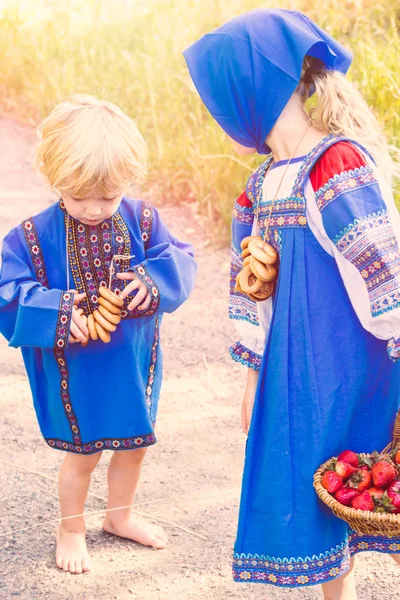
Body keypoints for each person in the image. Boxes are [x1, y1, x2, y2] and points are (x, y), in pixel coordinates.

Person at [184, 9, 400, 599]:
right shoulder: (259, 186)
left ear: (250, 90)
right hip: (296, 375)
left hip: (353, 363)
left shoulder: (335, 163)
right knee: (321, 501)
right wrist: (254, 368)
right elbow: (251, 286)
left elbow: (381, 269)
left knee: (369, 483)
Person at [0, 94, 197, 574]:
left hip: (132, 362)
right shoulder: (31, 235)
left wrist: (150, 281)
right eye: (78, 196)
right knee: (83, 455)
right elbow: (9, 289)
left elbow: (182, 260)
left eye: (108, 197)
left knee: (135, 443)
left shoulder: (143, 220)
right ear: (54, 180)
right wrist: (64, 312)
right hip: (77, 371)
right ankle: (71, 526)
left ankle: (119, 515)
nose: (93, 209)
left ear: (128, 182)